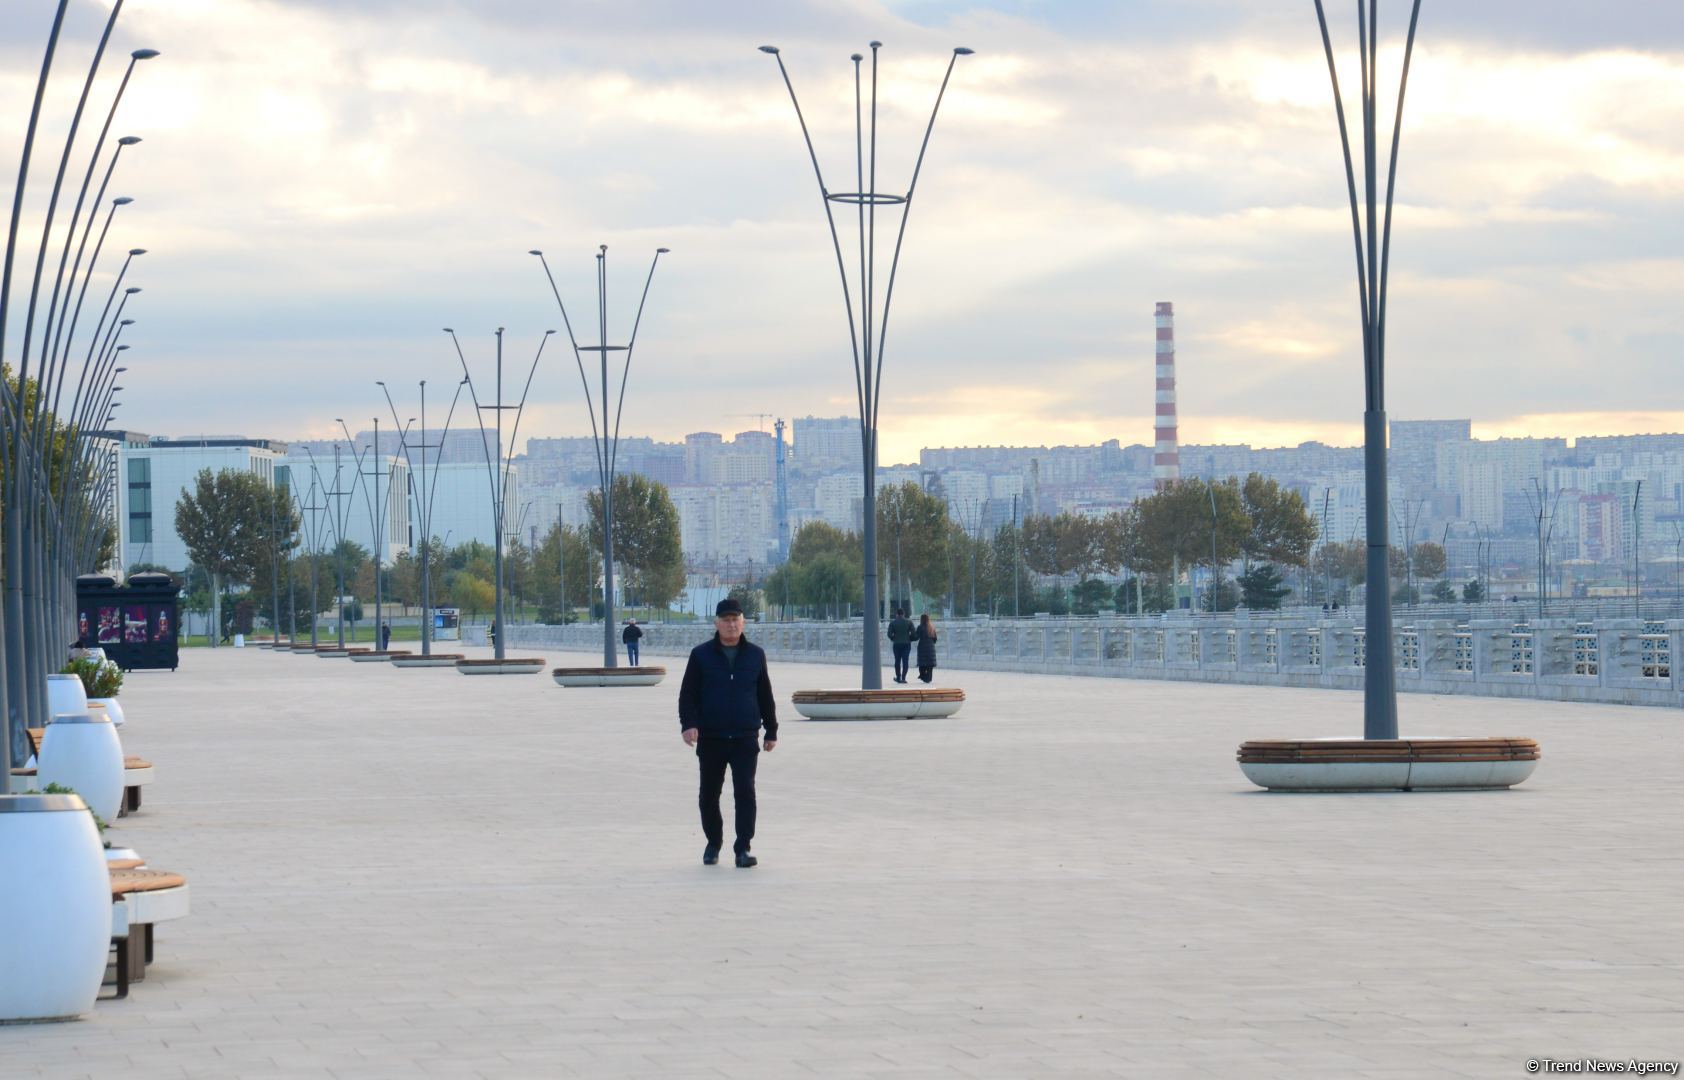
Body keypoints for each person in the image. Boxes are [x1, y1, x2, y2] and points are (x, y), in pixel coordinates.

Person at [678, 597, 777, 868]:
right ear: (716, 623)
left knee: (745, 791)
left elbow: (764, 693)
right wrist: (688, 724)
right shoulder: (701, 655)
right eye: (726, 620)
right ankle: (713, 842)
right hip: (711, 737)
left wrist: (771, 729)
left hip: (745, 736)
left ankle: (743, 847)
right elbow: (688, 695)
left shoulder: (755, 655)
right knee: (709, 794)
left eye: (736, 620)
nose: (732, 625)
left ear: (743, 623)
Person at [886, 608, 914, 683]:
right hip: (906, 644)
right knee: (905, 661)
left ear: (897, 614)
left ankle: (898, 677)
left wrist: (893, 638)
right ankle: (903, 678)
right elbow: (914, 634)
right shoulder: (909, 622)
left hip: (897, 644)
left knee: (897, 661)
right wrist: (909, 638)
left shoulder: (893, 623)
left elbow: (889, 634)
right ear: (904, 614)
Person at [913, 612, 938, 683]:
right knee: (930, 664)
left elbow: (916, 637)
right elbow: (935, 638)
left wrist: (911, 636)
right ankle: (929, 678)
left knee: (922, 663)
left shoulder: (920, 627)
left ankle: (923, 675)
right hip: (931, 647)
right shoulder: (932, 627)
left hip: (922, 646)